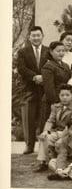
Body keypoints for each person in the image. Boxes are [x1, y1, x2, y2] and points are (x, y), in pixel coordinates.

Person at [17, 26, 50, 154]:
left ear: (42, 36)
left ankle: (43, 147)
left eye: (38, 35)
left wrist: (43, 76)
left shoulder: (48, 51)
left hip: (44, 90)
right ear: (30, 37)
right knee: (28, 119)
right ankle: (29, 146)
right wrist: (34, 76)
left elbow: (51, 66)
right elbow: (21, 68)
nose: (36, 38)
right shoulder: (23, 52)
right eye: (33, 36)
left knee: (44, 118)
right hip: (29, 89)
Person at [35, 84, 72, 172]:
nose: (64, 97)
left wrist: (62, 138)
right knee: (45, 137)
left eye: (67, 95)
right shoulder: (55, 106)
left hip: (69, 133)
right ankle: (43, 162)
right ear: (59, 96)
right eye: (62, 95)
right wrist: (46, 131)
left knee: (58, 141)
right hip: (57, 131)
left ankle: (56, 162)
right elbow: (50, 120)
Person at [42, 41, 72, 129]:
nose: (61, 53)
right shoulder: (48, 66)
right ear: (51, 52)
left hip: (64, 100)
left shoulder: (66, 66)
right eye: (58, 51)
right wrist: (57, 102)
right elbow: (49, 88)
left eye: (63, 51)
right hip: (51, 102)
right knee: (48, 128)